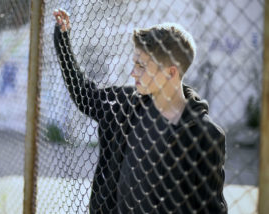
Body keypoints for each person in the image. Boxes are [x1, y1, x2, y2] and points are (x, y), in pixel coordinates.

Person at [53, 9, 227, 214]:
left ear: (171, 72)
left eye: (141, 66)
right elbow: (85, 97)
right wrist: (62, 40)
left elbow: (212, 208)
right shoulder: (125, 106)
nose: (133, 72)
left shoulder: (206, 135)